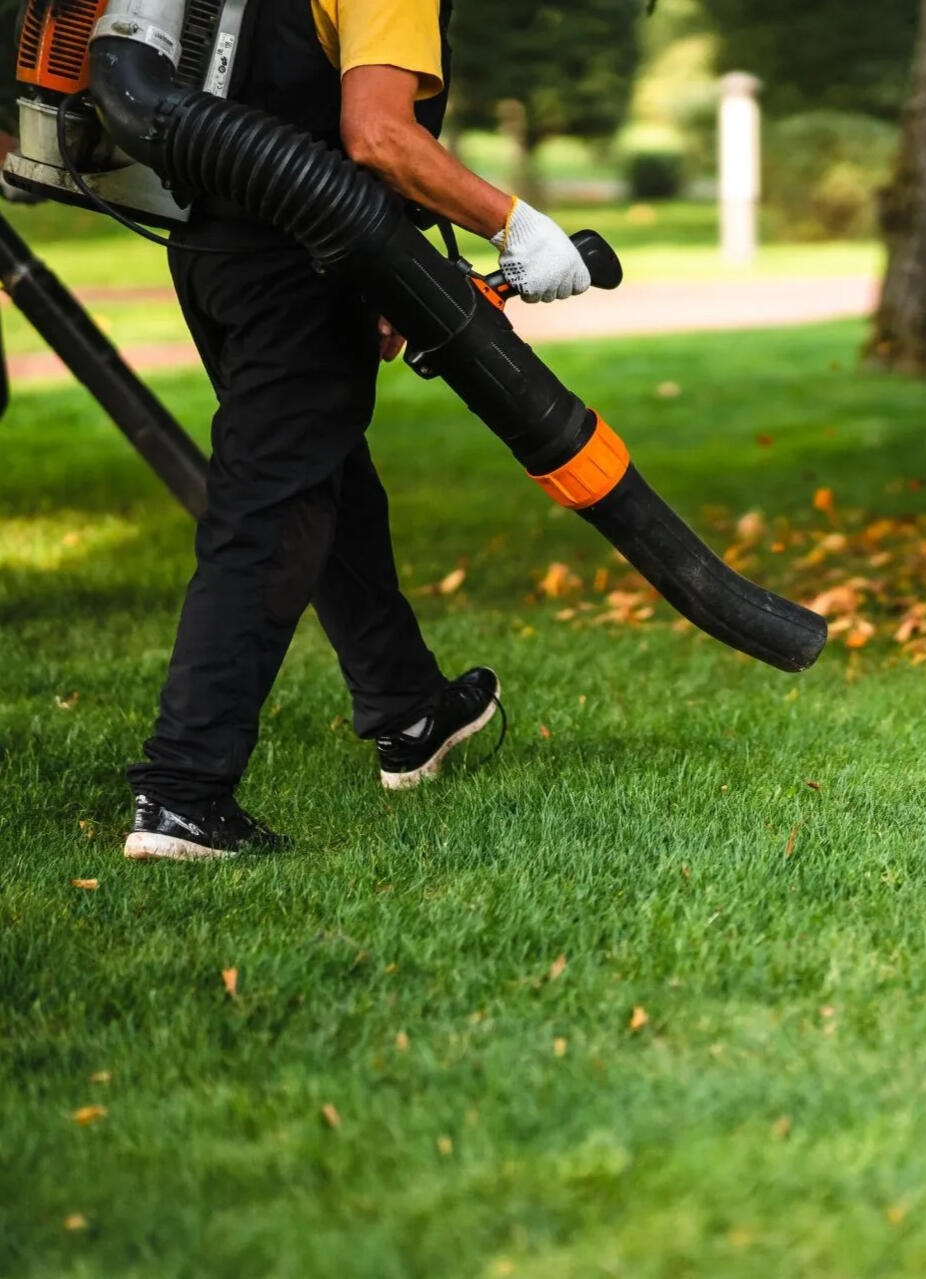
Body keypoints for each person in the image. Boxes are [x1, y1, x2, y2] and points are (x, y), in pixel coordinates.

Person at [123, 0, 591, 862]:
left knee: (321, 466)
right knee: (272, 507)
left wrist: (384, 266)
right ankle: (184, 791)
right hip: (295, 261)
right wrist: (516, 223)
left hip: (211, 251)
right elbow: (377, 135)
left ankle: (408, 708)